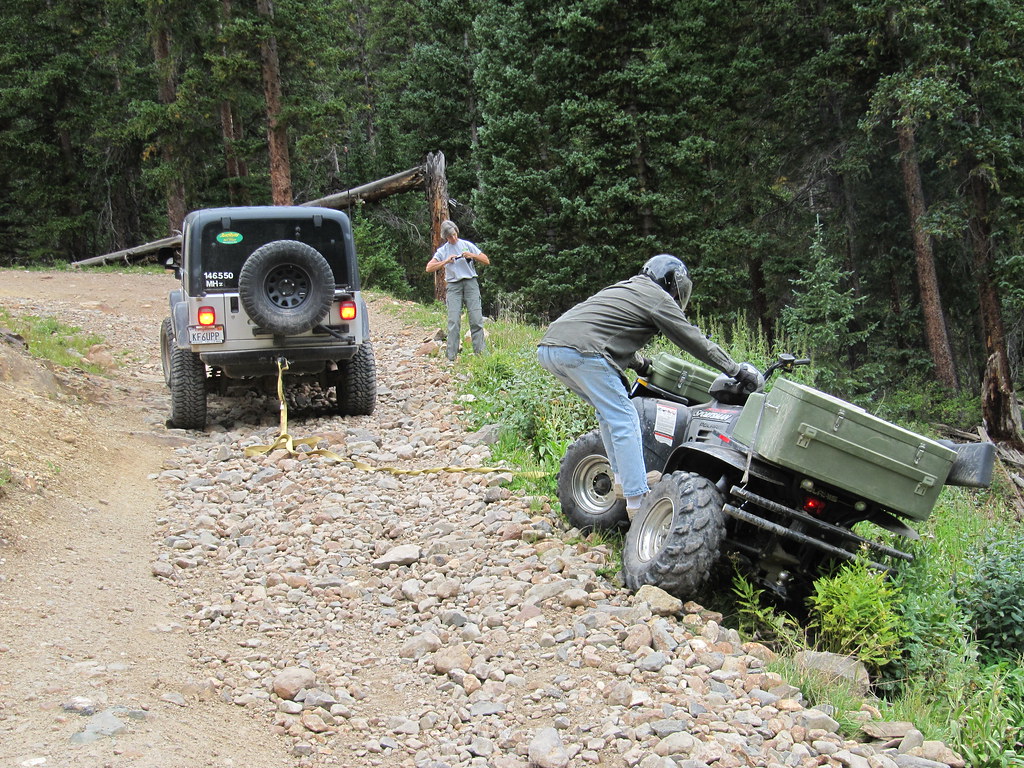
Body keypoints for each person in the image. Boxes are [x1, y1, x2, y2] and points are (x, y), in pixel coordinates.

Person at [537, 254, 762, 515]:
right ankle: (638, 501)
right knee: (624, 417)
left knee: (609, 415)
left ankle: (622, 480)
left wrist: (641, 364)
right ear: (672, 282)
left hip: (551, 348)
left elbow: (605, 330)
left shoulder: (628, 288)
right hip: (582, 351)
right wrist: (735, 369)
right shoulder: (658, 297)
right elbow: (692, 339)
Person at [426, 220, 490, 361]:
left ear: (457, 232)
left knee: (476, 319)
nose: (453, 238)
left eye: (454, 235)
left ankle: (480, 354)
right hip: (453, 286)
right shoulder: (443, 251)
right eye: (450, 237)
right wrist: (445, 262)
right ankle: (451, 356)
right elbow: (429, 268)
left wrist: (472, 256)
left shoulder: (467, 245)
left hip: (470, 283)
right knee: (454, 321)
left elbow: (486, 260)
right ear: (445, 237)